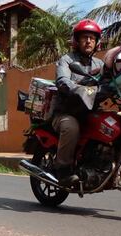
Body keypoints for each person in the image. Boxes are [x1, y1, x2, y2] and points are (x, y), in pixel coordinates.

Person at [50, 19, 105, 186]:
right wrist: (78, 88)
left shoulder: (100, 64)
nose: (88, 41)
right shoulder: (66, 60)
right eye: (84, 37)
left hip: (89, 112)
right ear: (76, 40)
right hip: (66, 112)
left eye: (92, 38)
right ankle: (63, 169)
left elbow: (110, 79)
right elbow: (62, 81)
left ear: (97, 43)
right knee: (71, 126)